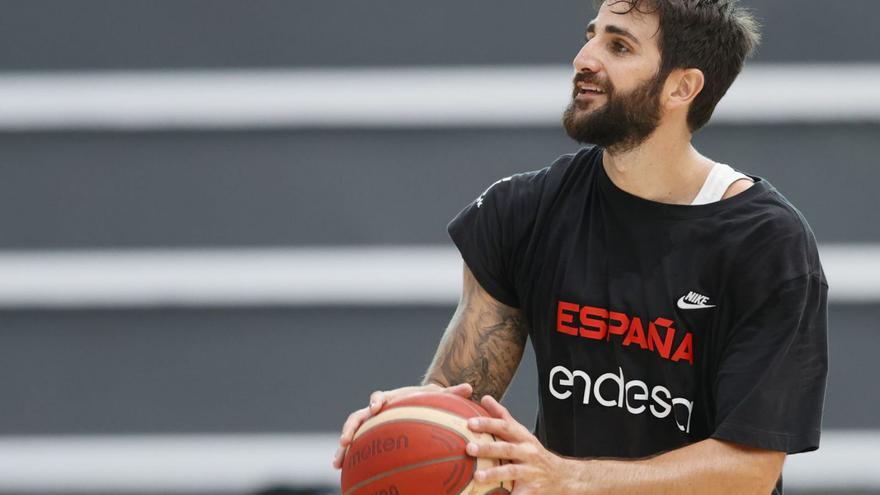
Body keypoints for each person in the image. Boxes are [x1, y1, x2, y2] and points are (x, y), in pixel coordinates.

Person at [333, 1, 828, 493]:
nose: (584, 58)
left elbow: (748, 472)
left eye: (618, 45)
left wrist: (566, 477)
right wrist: (402, 421)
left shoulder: (766, 243)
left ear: (682, 87)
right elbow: (461, 391)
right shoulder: (526, 210)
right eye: (591, 35)